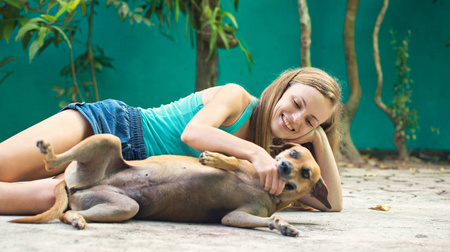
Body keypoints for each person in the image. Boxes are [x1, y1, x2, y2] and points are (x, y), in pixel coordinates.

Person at [0, 67, 343, 215]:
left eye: (309, 121)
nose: (296, 119)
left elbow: (333, 203)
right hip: (114, 127)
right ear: (280, 89)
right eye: (296, 103)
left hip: (129, 181)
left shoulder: (276, 162)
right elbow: (192, 134)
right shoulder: (237, 98)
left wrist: (321, 137)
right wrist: (256, 153)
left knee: (45, 195)